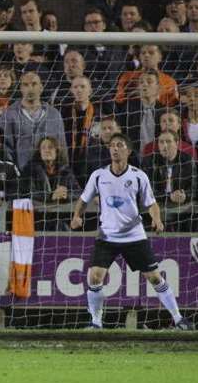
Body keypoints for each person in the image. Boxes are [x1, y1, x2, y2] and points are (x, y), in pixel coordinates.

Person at [71, 133, 193, 330]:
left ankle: (179, 319)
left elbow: (151, 203)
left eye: (119, 145)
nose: (115, 149)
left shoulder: (138, 176)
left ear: (128, 150)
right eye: (112, 145)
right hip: (107, 235)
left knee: (154, 277)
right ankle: (95, 322)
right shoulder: (99, 175)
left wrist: (157, 219)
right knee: (94, 276)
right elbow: (84, 199)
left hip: (134, 235)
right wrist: (77, 215)